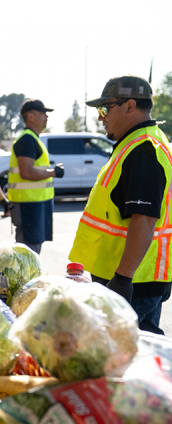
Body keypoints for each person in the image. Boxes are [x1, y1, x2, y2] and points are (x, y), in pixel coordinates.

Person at [69, 75, 172, 334]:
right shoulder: (137, 143)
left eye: (105, 108)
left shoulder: (143, 150)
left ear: (129, 106)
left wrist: (123, 279)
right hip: (130, 278)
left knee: (127, 359)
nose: (100, 117)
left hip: (133, 282)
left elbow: (144, 219)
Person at [7, 99, 64, 253]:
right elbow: (26, 172)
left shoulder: (32, 139)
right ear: (31, 116)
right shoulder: (27, 140)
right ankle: (26, 278)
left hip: (34, 204)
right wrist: (54, 173)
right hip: (28, 205)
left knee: (31, 252)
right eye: (43, 113)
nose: (46, 117)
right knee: (28, 253)